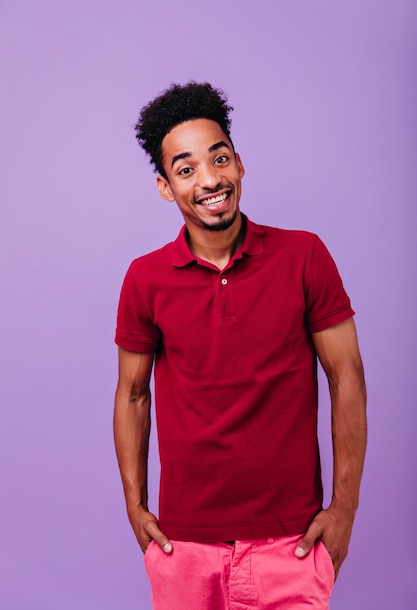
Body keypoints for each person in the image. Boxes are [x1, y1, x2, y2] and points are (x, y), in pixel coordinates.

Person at [113, 81, 367, 610]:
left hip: (291, 544)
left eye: (219, 158)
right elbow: (133, 395)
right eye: (186, 169)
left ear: (239, 164)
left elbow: (347, 378)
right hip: (183, 547)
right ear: (166, 187)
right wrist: (136, 508)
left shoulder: (304, 256)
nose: (209, 179)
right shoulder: (145, 278)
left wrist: (344, 510)